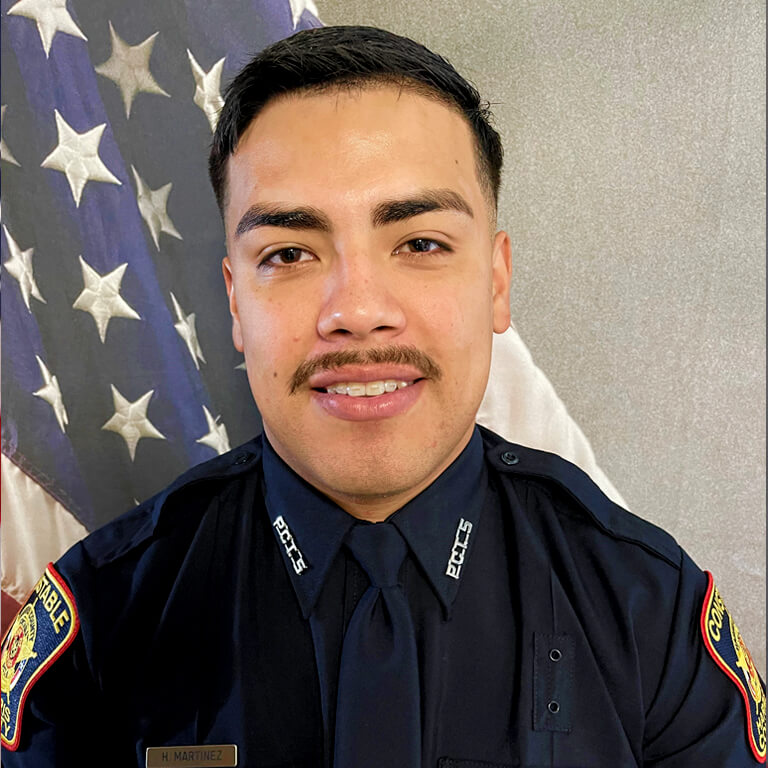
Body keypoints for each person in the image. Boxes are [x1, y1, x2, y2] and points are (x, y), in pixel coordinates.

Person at [1, 25, 764, 768]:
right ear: (235, 301)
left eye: (421, 244)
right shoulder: (98, 627)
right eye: (290, 253)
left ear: (496, 282)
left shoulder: (650, 613)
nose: (358, 310)